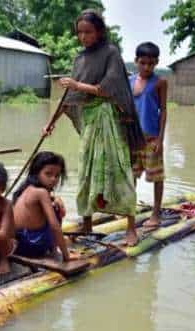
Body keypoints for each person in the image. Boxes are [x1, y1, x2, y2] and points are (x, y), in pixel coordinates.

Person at [42, 9, 145, 246]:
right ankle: (87, 224)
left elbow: (109, 88)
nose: (83, 37)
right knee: (86, 172)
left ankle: (131, 227)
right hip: (89, 122)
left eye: (88, 32)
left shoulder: (111, 53)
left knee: (119, 170)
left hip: (108, 119)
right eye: (79, 32)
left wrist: (78, 84)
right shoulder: (79, 59)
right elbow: (69, 97)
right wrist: (50, 123)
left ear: (99, 32)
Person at [130, 42, 168, 228]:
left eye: (151, 63)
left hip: (151, 139)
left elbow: (163, 111)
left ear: (156, 63)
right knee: (131, 177)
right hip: (132, 139)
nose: (147, 67)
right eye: (143, 63)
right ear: (136, 61)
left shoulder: (160, 82)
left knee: (156, 177)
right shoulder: (129, 81)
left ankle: (156, 213)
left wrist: (160, 139)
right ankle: (129, 211)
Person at [12, 151, 74, 261]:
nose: (53, 179)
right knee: (55, 209)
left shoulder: (25, 189)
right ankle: (54, 250)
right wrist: (66, 256)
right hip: (32, 247)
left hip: (19, 245)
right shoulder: (41, 193)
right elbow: (55, 226)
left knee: (54, 203)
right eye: (48, 174)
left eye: (57, 176)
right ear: (37, 173)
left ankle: (53, 248)